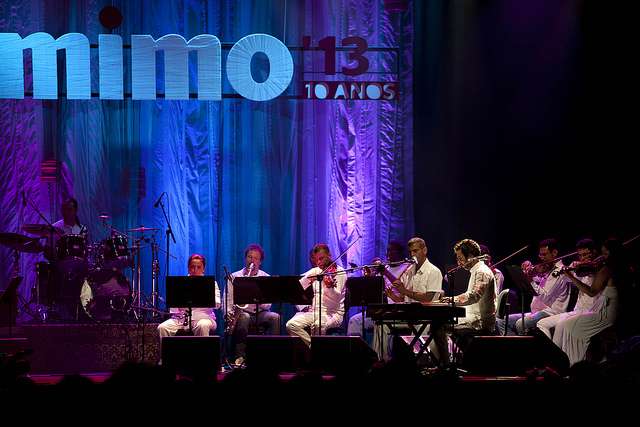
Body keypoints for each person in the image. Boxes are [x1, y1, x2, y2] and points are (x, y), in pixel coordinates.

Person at [553, 238, 626, 365]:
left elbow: (592, 291)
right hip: (607, 309)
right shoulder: (621, 267)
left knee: (569, 326)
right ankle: (574, 362)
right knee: (566, 325)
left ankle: (576, 364)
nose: (601, 257)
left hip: (605, 313)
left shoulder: (606, 270)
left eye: (605, 254)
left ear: (612, 254)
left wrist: (570, 275)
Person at [372, 237, 445, 363]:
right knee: (381, 324)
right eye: (411, 252)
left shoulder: (433, 271)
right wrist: (394, 296)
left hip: (425, 316)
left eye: (416, 251)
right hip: (409, 314)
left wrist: (404, 291)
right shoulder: (409, 271)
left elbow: (428, 298)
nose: (413, 255)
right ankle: (381, 361)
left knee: (418, 334)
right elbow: (403, 296)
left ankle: (423, 362)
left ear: (425, 250)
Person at [496, 239, 571, 335]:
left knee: (521, 324)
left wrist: (530, 279)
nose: (541, 258)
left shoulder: (560, 272)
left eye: (544, 254)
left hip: (551, 313)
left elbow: (544, 296)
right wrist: (526, 269)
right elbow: (534, 280)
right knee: (502, 321)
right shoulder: (547, 269)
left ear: (554, 253)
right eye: (540, 254)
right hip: (536, 311)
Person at [225, 244, 280, 366]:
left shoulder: (265, 277)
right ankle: (240, 356)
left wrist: (257, 295)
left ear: (260, 262)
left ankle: (274, 355)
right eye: (250, 257)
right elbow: (228, 298)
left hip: (260, 312)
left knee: (275, 317)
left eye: (256, 258)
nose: (252, 260)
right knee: (245, 317)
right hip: (242, 313)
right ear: (245, 259)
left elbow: (267, 305)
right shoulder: (235, 276)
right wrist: (230, 316)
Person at [536, 239, 600, 340]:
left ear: (595, 252)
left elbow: (590, 291)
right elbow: (562, 277)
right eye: (580, 255)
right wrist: (571, 268)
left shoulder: (598, 271)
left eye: (586, 254)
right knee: (546, 325)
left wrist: (570, 274)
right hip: (577, 311)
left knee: (558, 326)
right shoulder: (581, 269)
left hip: (589, 312)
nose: (583, 259)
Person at [441, 239, 496, 354]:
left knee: (439, 326)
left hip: (480, 320)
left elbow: (474, 296)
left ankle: (445, 363)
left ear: (470, 256)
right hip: (472, 316)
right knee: (440, 322)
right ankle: (450, 360)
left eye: (460, 258)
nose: (458, 263)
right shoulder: (476, 271)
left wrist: (452, 300)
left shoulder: (482, 272)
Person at [286, 244, 346, 347]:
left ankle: (316, 352)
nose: (318, 263)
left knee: (318, 325)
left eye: (321, 259)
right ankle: (314, 347)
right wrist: (308, 280)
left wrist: (329, 286)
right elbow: (299, 284)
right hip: (314, 312)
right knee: (291, 325)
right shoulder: (316, 271)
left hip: (333, 313)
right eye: (316, 260)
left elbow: (336, 298)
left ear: (329, 255)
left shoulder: (340, 273)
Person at [347, 241, 406, 338]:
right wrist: (369, 277)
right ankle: (355, 351)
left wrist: (385, 272)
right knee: (354, 320)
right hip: (379, 309)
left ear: (400, 253)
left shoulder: (406, 268)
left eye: (392, 250)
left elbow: (402, 288)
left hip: (394, 309)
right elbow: (373, 290)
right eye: (388, 250)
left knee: (379, 324)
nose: (388, 253)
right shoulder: (386, 267)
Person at [157, 254, 220, 339]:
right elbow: (174, 309)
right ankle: (166, 352)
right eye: (192, 267)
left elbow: (217, 304)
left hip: (203, 318)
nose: (195, 270)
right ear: (188, 268)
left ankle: (202, 352)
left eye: (199, 267)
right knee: (162, 328)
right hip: (182, 319)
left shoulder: (211, 283)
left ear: (203, 269)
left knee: (203, 325)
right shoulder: (180, 284)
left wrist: (202, 297)